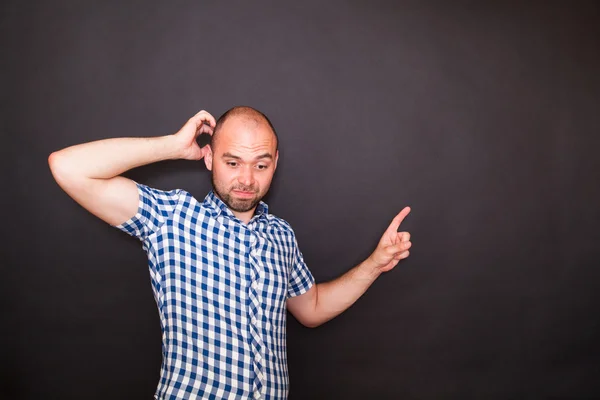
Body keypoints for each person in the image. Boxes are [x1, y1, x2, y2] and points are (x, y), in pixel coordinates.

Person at [48, 106, 412, 400]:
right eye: (232, 162)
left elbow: (312, 308)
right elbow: (68, 168)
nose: (247, 180)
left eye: (261, 165)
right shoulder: (172, 218)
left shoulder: (281, 236)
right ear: (209, 157)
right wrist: (172, 147)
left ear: (275, 162)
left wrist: (375, 264)